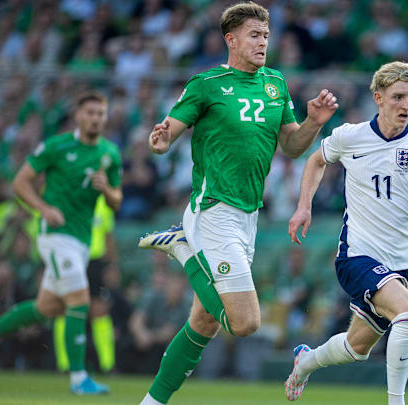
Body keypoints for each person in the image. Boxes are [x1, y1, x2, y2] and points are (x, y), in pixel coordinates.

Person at [136, 2, 337, 404]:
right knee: (245, 322)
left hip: (248, 217)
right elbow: (169, 131)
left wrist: (314, 123)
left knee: (205, 321)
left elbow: (293, 146)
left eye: (266, 35)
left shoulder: (275, 84)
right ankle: (182, 248)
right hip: (213, 211)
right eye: (254, 35)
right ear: (231, 40)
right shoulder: (207, 83)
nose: (263, 42)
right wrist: (160, 140)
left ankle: (151, 402)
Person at [285, 61, 408, 405]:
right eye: (398, 97)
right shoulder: (350, 136)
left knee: (357, 348)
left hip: (403, 262)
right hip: (357, 255)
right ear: (378, 98)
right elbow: (315, 161)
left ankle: (305, 361)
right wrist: (304, 206)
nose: (406, 105)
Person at [0, 91, 122, 395]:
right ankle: (79, 378)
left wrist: (107, 191)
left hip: (81, 240)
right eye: (89, 113)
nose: (95, 118)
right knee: (79, 300)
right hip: (55, 235)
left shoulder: (110, 154)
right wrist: (43, 208)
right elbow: (20, 182)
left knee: (46, 307)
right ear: (78, 116)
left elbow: (117, 201)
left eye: (100, 114)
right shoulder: (57, 146)